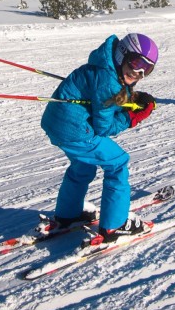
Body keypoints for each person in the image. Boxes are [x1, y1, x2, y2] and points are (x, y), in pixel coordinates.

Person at [40, 33, 159, 245]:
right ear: (123, 54)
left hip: (58, 123)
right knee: (118, 163)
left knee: (83, 165)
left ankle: (68, 214)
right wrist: (130, 117)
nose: (139, 72)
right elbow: (103, 127)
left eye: (147, 69)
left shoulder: (105, 65)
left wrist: (132, 99)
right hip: (75, 131)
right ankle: (115, 225)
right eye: (137, 63)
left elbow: (104, 98)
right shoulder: (109, 82)